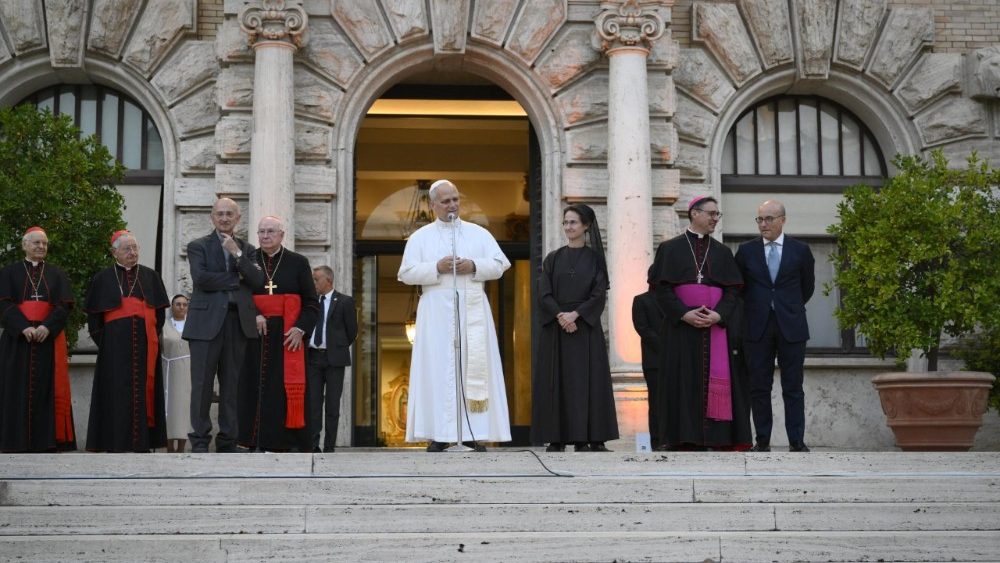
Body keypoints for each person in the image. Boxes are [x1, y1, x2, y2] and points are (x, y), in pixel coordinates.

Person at [398, 179, 512, 452]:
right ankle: (440, 434)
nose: (452, 205)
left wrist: (473, 265)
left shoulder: (479, 234)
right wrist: (435, 267)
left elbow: (500, 264)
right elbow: (406, 273)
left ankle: (473, 433)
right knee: (438, 369)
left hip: (472, 307)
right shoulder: (420, 237)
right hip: (435, 312)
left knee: (472, 368)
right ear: (433, 205)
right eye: (446, 201)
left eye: (455, 199)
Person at [649, 196, 752, 451]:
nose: (715, 219)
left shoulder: (722, 252)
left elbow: (733, 291)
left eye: (718, 215)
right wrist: (683, 314)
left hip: (715, 327)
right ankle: (683, 438)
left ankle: (718, 438)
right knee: (681, 381)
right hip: (680, 329)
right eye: (711, 213)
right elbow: (661, 290)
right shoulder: (669, 249)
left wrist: (720, 315)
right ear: (695, 213)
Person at [532, 204, 618, 452]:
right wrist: (561, 315)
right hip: (557, 329)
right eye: (565, 222)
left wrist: (576, 315)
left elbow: (599, 294)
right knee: (556, 382)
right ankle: (556, 438)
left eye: (573, 222)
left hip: (585, 330)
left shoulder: (596, 260)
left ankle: (588, 438)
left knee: (587, 383)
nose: (568, 227)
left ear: (586, 226)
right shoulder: (553, 258)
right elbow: (544, 293)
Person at [183, 197, 264, 453]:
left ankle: (228, 440)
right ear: (212, 217)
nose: (225, 218)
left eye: (230, 214)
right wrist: (235, 278)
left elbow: (257, 280)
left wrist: (236, 253)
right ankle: (199, 440)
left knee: (232, 385)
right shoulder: (198, 246)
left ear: (238, 218)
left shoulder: (247, 249)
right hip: (204, 324)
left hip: (237, 323)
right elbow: (201, 278)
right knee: (202, 385)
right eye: (220, 214)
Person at [735, 200, 815, 452]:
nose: (763, 224)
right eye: (759, 219)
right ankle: (762, 441)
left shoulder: (800, 250)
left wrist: (786, 306)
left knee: (793, 387)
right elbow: (740, 289)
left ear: (783, 220)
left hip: (791, 325)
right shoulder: (746, 251)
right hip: (756, 327)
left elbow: (807, 288)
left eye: (769, 219)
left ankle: (796, 441)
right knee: (759, 386)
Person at [239, 216, 319, 452]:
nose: (265, 236)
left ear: (282, 235)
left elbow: (311, 303)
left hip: (288, 337)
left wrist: (300, 328)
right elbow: (241, 294)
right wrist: (254, 314)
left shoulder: (298, 262)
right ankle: (252, 440)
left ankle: (288, 442)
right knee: (252, 385)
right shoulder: (249, 260)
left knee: (281, 390)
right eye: (261, 231)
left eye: (270, 231)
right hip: (255, 334)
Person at [85, 230, 169, 452]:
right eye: (127, 249)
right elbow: (94, 321)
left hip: (145, 346)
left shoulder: (151, 276)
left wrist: (148, 337)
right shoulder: (102, 278)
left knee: (144, 391)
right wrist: (109, 343)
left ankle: (143, 442)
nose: (132, 252)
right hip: (113, 349)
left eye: (135, 248)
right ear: (114, 253)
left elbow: (159, 316)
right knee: (114, 392)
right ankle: (115, 442)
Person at [0, 227, 76, 452]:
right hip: (16, 341)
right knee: (13, 388)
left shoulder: (56, 274)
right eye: (36, 243)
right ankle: (13, 441)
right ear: (24, 245)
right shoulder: (9, 272)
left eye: (44, 243)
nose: (41, 247)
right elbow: (3, 303)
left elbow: (64, 306)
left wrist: (47, 327)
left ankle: (46, 442)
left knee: (47, 390)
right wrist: (22, 327)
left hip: (47, 341)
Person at [307, 265, 357, 453]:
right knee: (313, 404)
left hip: (334, 359)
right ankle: (313, 445)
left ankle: (329, 446)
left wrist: (337, 346)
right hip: (313, 357)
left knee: (332, 405)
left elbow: (352, 331)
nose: (313, 283)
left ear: (328, 280)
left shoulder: (345, 301)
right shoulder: (310, 302)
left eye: (316, 279)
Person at [632, 266, 664, 450]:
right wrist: (666, 347)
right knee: (657, 402)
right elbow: (643, 328)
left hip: (676, 361)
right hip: (654, 360)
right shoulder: (641, 300)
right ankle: (657, 440)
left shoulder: (677, 301)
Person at [161, 294, 192, 453]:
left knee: (184, 407)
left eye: (184, 304)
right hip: (169, 370)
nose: (181, 307)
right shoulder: (164, 326)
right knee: (169, 407)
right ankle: (169, 446)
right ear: (172, 307)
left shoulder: (193, 325)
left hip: (188, 371)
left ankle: (181, 447)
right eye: (178, 304)